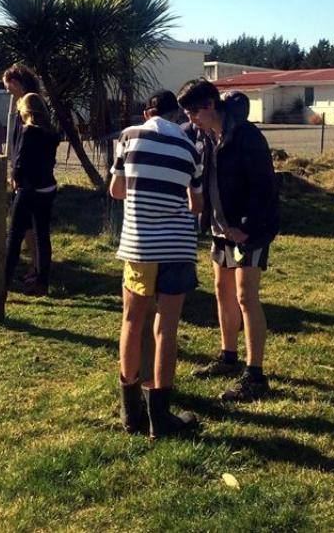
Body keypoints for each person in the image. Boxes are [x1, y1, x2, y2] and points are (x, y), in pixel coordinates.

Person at [177, 78, 279, 403]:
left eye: (193, 111)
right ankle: (228, 357)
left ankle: (255, 375)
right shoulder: (206, 135)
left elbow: (265, 187)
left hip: (251, 230)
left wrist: (246, 226)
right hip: (220, 231)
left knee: (246, 297)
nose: (190, 118)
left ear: (209, 104)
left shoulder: (247, 136)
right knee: (222, 292)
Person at [110, 89, 203, 440]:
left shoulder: (129, 137)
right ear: (176, 114)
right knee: (167, 327)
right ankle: (160, 417)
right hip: (178, 247)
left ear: (149, 112)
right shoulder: (190, 147)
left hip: (140, 246)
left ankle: (130, 410)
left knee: (132, 321)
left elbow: (117, 191)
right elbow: (196, 204)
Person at [5, 93, 60, 297]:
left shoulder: (28, 131)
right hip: (48, 187)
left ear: (26, 112)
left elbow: (20, 162)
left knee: (14, 236)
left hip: (29, 188)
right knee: (42, 236)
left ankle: (3, 282)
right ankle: (42, 282)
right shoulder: (51, 133)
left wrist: (15, 179)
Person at [3, 63, 43, 284]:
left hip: (28, 176)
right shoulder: (22, 104)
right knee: (27, 225)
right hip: (25, 174)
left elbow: (25, 145)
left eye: (9, 87)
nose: (8, 92)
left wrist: (16, 173)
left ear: (17, 83)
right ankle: (35, 265)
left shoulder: (30, 105)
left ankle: (31, 269)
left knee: (22, 226)